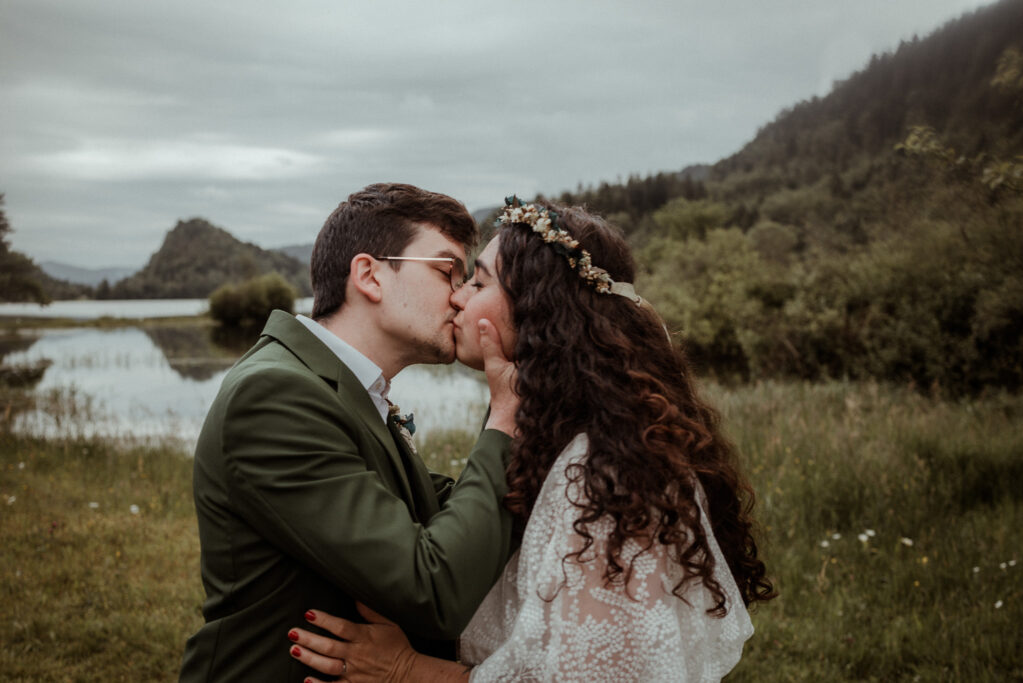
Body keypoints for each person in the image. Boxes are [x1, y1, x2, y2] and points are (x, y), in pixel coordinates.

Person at [288, 197, 776, 681]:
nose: (457, 297)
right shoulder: (558, 444)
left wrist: (406, 669)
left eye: (477, 281)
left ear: (539, 310)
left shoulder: (605, 475)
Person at [179, 183, 520, 682]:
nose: (459, 295)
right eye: (447, 270)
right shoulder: (275, 395)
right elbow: (432, 588)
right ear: (370, 276)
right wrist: (504, 421)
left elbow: (428, 510)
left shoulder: (338, 386)